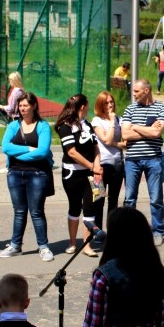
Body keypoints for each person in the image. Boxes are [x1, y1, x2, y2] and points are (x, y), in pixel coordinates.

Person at [0, 93, 54, 262]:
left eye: (26, 105)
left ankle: (43, 246)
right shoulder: (13, 125)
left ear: (34, 106)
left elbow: (43, 152)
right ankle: (16, 245)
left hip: (37, 174)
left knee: (36, 211)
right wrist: (30, 150)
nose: (22, 109)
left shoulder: (43, 126)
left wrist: (20, 154)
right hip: (15, 174)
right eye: (20, 106)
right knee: (19, 211)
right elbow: (5, 147)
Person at [55, 94, 105, 257]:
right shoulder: (65, 126)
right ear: (82, 107)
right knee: (75, 206)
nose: (89, 108)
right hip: (72, 173)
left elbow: (96, 147)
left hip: (92, 174)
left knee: (91, 207)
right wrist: (92, 166)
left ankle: (86, 245)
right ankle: (72, 243)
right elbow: (72, 152)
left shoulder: (87, 124)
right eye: (87, 105)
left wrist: (97, 165)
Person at [121, 79, 164, 244]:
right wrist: (148, 130)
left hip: (153, 158)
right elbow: (125, 135)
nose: (133, 95)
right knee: (129, 199)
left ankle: (157, 231)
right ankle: (129, 231)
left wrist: (134, 127)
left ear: (146, 91)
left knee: (156, 198)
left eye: (136, 92)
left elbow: (157, 133)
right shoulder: (130, 109)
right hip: (132, 159)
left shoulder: (161, 108)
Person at [90, 91, 125, 227]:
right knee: (98, 199)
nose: (110, 105)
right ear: (100, 105)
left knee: (114, 200)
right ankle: (98, 231)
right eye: (106, 103)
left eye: (111, 102)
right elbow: (106, 139)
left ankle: (112, 229)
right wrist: (111, 122)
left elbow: (125, 143)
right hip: (101, 165)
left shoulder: (119, 119)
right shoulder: (96, 120)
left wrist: (114, 143)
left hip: (117, 163)